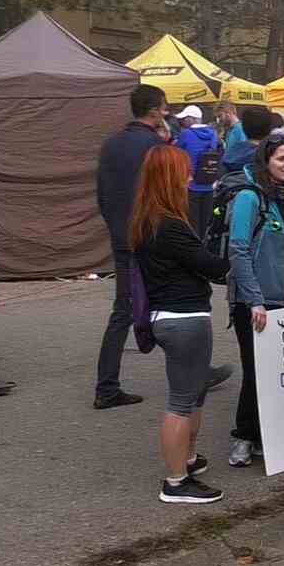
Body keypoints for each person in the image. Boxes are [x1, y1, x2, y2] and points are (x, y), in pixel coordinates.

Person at [128, 146, 230, 504]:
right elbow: (211, 266)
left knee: (194, 392)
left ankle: (187, 459)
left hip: (171, 316)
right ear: (170, 178)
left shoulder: (149, 220)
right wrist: (236, 254)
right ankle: (175, 481)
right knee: (182, 401)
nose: (190, 178)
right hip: (183, 319)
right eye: (184, 172)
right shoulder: (169, 225)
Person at [223, 134, 284, 467]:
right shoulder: (249, 197)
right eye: (281, 159)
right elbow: (238, 250)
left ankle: (269, 436)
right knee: (255, 371)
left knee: (280, 370)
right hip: (255, 302)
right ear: (266, 162)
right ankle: (244, 437)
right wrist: (254, 300)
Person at [94, 83, 169, 410]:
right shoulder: (154, 147)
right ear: (154, 110)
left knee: (124, 309)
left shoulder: (111, 144)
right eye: (164, 107)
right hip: (150, 238)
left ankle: (107, 386)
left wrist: (115, 225)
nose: (166, 112)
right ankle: (194, 369)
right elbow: (166, 194)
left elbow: (102, 193)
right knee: (174, 304)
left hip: (121, 236)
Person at [172, 104, 223, 235]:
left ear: (193, 119)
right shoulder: (213, 134)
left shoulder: (186, 134)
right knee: (205, 225)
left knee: (192, 225)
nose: (182, 122)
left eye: (185, 118)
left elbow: (174, 153)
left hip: (190, 185)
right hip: (209, 185)